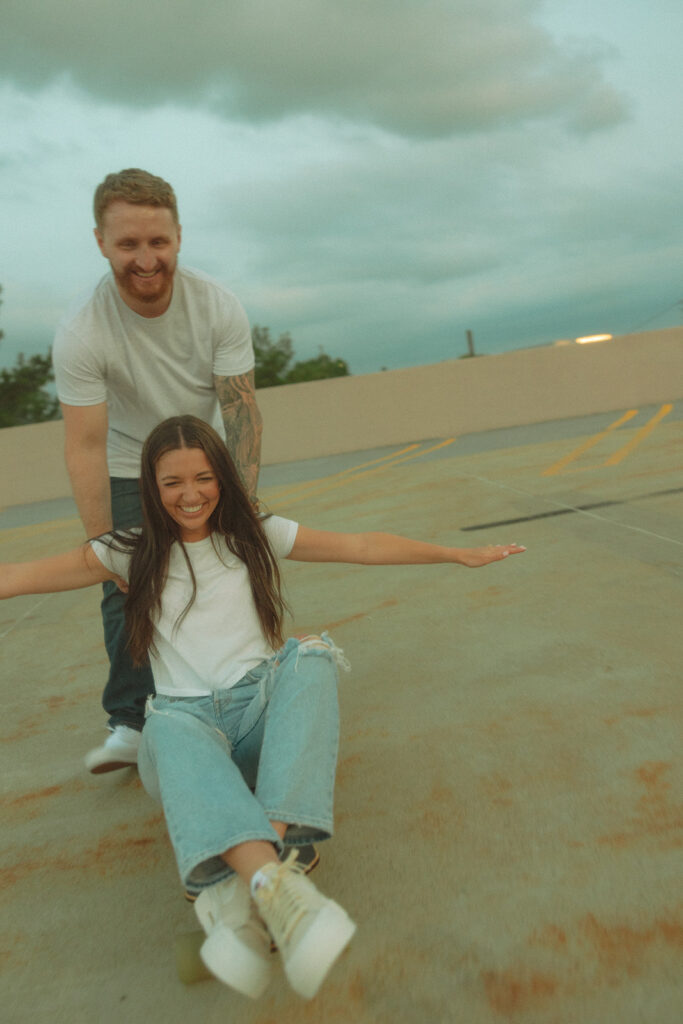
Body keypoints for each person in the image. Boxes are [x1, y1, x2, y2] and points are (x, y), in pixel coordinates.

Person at [1, 415, 525, 1000]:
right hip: (185, 736)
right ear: (150, 486)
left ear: (221, 477)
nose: (190, 494)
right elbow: (15, 576)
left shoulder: (254, 532)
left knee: (312, 657)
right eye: (172, 482)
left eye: (203, 477)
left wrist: (456, 553)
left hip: (259, 719)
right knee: (164, 723)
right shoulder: (126, 552)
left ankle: (254, 882)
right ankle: (278, 883)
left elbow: (361, 546)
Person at [52, 168, 263, 773]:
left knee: (230, 569)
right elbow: (85, 444)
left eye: (158, 242)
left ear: (178, 237)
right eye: (127, 245)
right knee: (126, 589)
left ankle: (243, 699)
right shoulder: (81, 330)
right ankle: (131, 721)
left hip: (202, 453)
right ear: (100, 242)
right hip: (125, 461)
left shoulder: (217, 306)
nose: (146, 259)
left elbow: (241, 413)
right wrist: (103, 547)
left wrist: (244, 508)